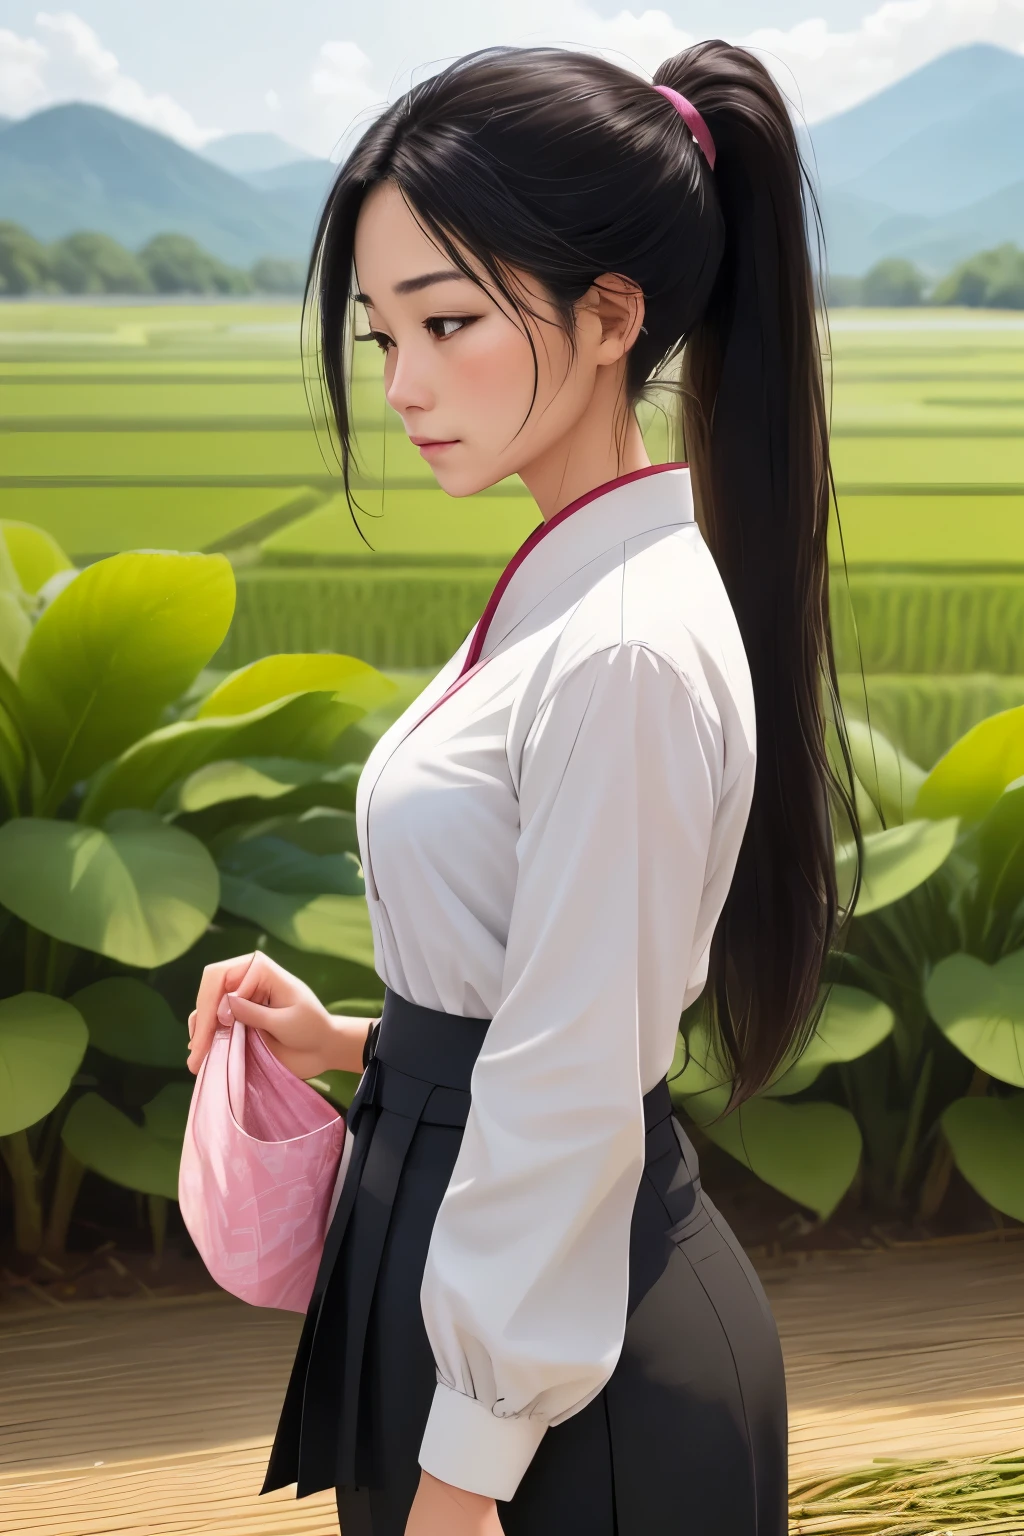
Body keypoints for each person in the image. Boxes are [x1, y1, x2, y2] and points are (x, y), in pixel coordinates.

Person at [186, 38, 861, 1536]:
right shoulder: (572, 587)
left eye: (446, 322)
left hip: (565, 1401)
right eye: (381, 337)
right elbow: (549, 1000)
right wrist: (361, 1041)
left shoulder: (619, 646)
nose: (408, 385)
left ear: (611, 315)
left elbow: (568, 1087)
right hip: (503, 1334)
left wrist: (460, 1470)